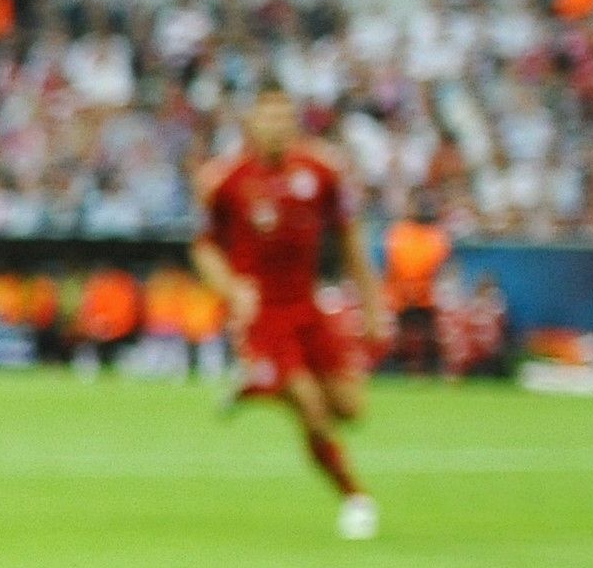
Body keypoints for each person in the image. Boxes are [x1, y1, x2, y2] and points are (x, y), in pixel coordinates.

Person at [192, 89, 388, 540]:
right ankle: (355, 498)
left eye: (285, 117)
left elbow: (351, 241)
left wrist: (374, 305)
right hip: (263, 316)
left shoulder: (321, 173)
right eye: (268, 117)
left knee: (350, 409)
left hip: (308, 308)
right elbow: (203, 247)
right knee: (312, 409)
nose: (277, 126)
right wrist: (230, 288)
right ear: (252, 124)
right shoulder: (227, 179)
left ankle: (258, 386)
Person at [381, 195, 451, 376]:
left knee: (430, 334)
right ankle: (396, 367)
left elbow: (435, 263)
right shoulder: (400, 231)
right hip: (400, 293)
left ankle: (431, 368)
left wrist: (418, 288)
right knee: (399, 334)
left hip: (426, 294)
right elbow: (396, 262)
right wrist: (407, 289)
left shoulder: (435, 234)